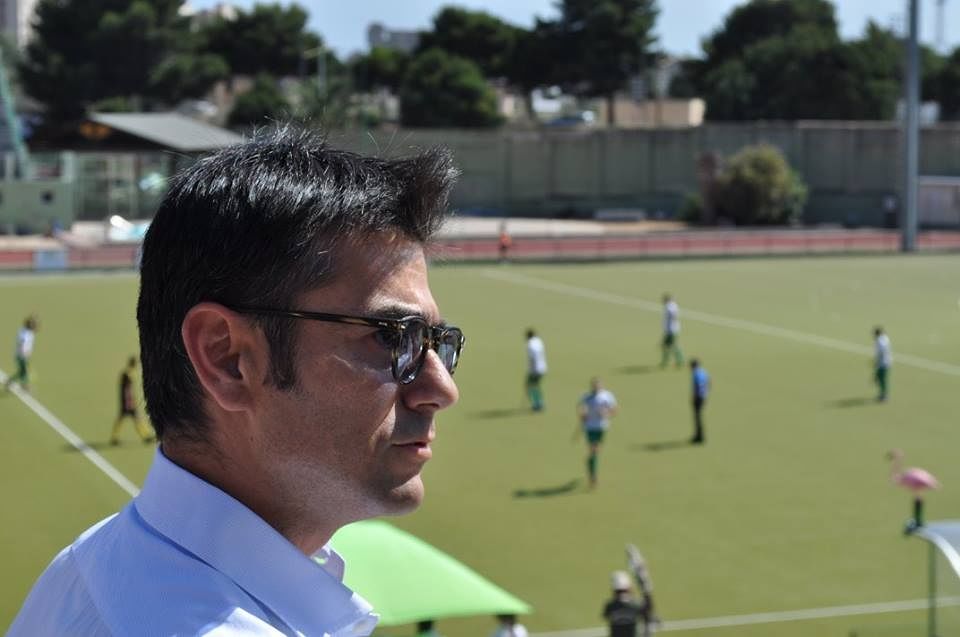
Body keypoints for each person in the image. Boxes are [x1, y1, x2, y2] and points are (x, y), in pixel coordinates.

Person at [10, 126, 464, 636]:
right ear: (226, 358)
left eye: (438, 342)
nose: (442, 389)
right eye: (390, 337)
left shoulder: (93, 565)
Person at [576, 377, 617, 489]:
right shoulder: (587, 397)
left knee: (596, 451)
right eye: (594, 385)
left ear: (602, 385)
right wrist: (582, 415)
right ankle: (593, 477)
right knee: (594, 450)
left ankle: (590, 462)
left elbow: (614, 410)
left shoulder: (607, 396)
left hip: (602, 427)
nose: (596, 387)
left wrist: (606, 413)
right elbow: (580, 407)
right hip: (590, 428)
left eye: (598, 385)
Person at [109, 356, 155, 445]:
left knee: (127, 419)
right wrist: (129, 402)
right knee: (135, 419)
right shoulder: (128, 374)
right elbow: (127, 390)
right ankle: (145, 436)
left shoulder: (127, 373)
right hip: (128, 403)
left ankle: (115, 437)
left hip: (126, 402)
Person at [603, 570, 655, 637]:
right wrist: (646, 592)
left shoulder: (610, 606)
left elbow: (605, 615)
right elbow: (647, 610)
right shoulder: (634, 605)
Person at [4, 315, 37, 392]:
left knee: (22, 371)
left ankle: (9, 381)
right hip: (21, 356)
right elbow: (22, 343)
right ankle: (24, 386)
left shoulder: (24, 331)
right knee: (24, 372)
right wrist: (24, 354)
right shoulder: (26, 334)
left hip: (21, 355)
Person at [526, 328, 547, 411]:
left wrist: (531, 370)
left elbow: (533, 358)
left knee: (531, 386)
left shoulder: (530, 344)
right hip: (543, 367)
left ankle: (537, 404)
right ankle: (539, 403)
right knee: (535, 386)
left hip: (535, 369)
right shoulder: (538, 341)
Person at [660, 294, 683, 368]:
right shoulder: (672, 305)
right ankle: (666, 361)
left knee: (672, 346)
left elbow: (673, 315)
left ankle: (680, 360)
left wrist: (672, 321)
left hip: (671, 330)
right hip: (671, 330)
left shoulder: (670, 307)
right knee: (665, 346)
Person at [690, 358, 710, 444]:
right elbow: (709, 383)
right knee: (698, 416)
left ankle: (699, 437)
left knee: (697, 417)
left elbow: (696, 386)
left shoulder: (695, 373)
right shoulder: (703, 372)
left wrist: (694, 397)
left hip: (698, 398)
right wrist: (705, 393)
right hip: (703, 396)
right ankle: (699, 435)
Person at [874, 326, 892, 401]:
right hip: (887, 361)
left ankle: (884, 395)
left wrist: (877, 362)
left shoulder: (880, 341)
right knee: (881, 379)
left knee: (882, 380)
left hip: (882, 363)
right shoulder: (885, 338)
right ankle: (883, 394)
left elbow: (881, 352)